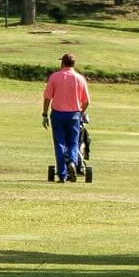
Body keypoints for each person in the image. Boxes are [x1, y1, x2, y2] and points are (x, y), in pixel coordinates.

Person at [42, 52, 91, 184]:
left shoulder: (55, 76)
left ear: (63, 63)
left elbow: (47, 97)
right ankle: (73, 164)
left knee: (59, 143)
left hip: (57, 114)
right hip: (74, 114)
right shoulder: (80, 78)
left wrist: (44, 114)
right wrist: (80, 114)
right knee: (73, 142)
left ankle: (62, 175)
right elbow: (86, 102)